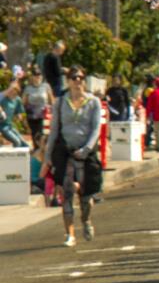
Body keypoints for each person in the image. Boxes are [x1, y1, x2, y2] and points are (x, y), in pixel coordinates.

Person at [46, 66, 102, 246]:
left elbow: (96, 129)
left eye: (80, 78)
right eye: (73, 78)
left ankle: (86, 220)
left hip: (86, 153)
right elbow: (54, 130)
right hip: (66, 152)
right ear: (68, 81)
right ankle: (70, 234)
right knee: (67, 191)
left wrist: (87, 148)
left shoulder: (93, 102)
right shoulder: (60, 102)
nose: (77, 81)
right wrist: (48, 155)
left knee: (87, 199)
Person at [22, 67, 53, 138]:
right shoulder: (28, 88)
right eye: (35, 75)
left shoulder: (46, 86)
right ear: (32, 77)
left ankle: (43, 148)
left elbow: (51, 101)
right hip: (32, 115)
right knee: (34, 135)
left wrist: (52, 112)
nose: (37, 77)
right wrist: (23, 116)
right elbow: (23, 103)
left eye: (39, 75)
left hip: (44, 114)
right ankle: (36, 148)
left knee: (43, 134)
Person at [0, 81, 27, 147]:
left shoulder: (17, 100)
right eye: (11, 90)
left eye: (14, 90)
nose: (12, 92)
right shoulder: (3, 97)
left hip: (9, 125)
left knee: (23, 143)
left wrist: (19, 116)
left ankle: (21, 156)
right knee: (17, 142)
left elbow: (20, 112)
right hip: (2, 126)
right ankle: (15, 157)